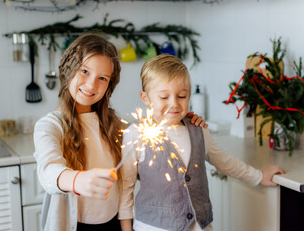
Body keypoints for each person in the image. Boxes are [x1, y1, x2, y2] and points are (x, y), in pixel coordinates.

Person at [33, 34, 206, 231]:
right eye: (84, 71)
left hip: (115, 224)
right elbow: (48, 171)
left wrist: (181, 121)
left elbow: (146, 164)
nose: (91, 84)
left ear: (109, 85)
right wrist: (76, 180)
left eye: (102, 78)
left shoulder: (118, 126)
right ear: (68, 69)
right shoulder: (50, 126)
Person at [119, 54, 286, 231]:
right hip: (152, 227)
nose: (174, 104)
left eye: (182, 96)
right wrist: (126, 228)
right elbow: (125, 186)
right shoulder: (135, 134)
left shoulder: (198, 129)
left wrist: (258, 176)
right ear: (145, 98)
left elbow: (223, 161)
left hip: (200, 226)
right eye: (164, 97)